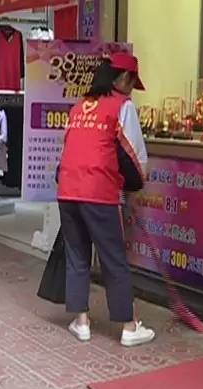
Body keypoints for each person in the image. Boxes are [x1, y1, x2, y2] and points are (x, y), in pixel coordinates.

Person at [57, 53, 152, 347]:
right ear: (122, 78)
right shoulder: (122, 107)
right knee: (113, 259)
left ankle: (82, 322)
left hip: (68, 190)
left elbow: (71, 146)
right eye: (132, 82)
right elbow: (136, 157)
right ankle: (128, 325)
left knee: (77, 255)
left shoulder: (78, 107)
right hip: (98, 193)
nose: (132, 89)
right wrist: (135, 186)